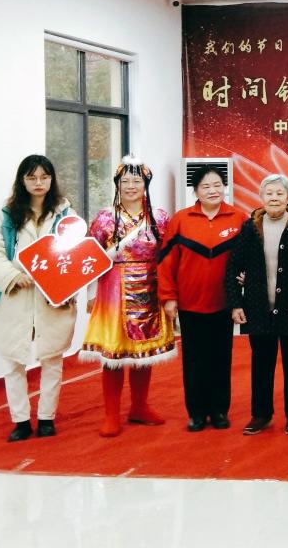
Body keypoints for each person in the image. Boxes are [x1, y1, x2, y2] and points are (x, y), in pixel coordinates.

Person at [0, 154, 77, 442]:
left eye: (44, 177)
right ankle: (20, 421)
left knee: (52, 358)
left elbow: (76, 256)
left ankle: (47, 418)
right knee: (13, 361)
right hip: (15, 296)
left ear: (52, 179)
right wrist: (12, 276)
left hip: (53, 297)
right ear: (22, 180)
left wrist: (64, 288)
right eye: (32, 177)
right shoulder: (6, 214)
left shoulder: (65, 214)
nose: (38, 183)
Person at [79, 156, 175, 437]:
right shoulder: (105, 219)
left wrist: (170, 292)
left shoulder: (159, 218)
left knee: (143, 352)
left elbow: (168, 256)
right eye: (125, 181)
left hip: (149, 287)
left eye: (137, 181)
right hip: (114, 288)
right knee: (114, 354)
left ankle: (139, 407)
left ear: (145, 184)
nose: (131, 186)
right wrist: (91, 294)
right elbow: (90, 258)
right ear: (117, 184)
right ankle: (111, 415)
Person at [225, 173, 288, 436]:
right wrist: (236, 303)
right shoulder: (250, 227)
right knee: (261, 364)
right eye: (269, 193)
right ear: (261, 197)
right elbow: (233, 266)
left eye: (280, 193)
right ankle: (261, 414)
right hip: (258, 308)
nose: (274, 198)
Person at [157, 164, 243, 432]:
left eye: (217, 185)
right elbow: (166, 262)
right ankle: (196, 413)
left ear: (224, 187)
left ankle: (219, 411)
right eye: (206, 186)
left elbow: (249, 259)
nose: (212, 190)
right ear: (195, 191)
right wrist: (168, 297)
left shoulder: (239, 218)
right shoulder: (181, 220)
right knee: (194, 360)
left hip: (223, 303)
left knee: (221, 358)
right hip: (189, 303)